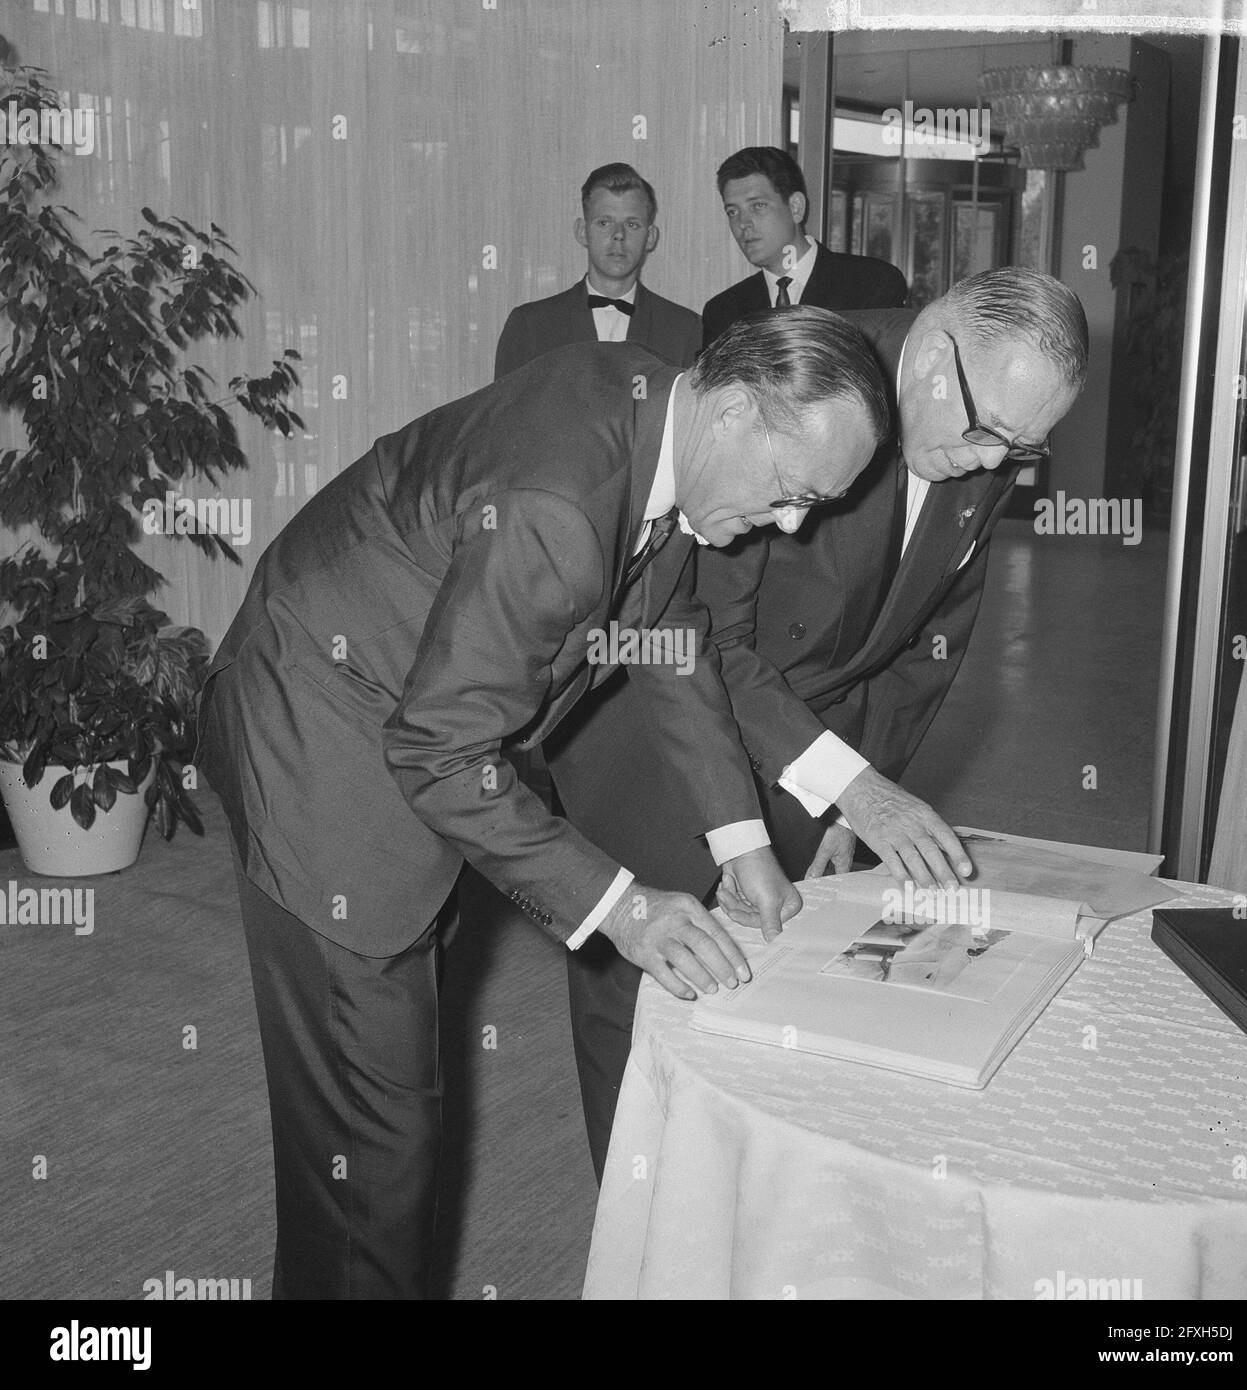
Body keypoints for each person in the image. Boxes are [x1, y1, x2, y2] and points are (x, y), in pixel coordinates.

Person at [196, 305, 890, 1298]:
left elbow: (667, 633)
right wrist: (624, 907)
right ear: (735, 408)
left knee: (391, 1092)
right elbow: (440, 755)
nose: (788, 525)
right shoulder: (558, 504)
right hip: (321, 738)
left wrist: (741, 844)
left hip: (406, 701)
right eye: (789, 493)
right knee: (372, 1143)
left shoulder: (657, 406)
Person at [546, 267, 1088, 1179]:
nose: (994, 464)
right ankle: (640, 1228)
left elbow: (929, 646)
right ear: (932, 357)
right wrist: (854, 787)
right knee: (641, 1018)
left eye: (1022, 450)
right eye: (989, 433)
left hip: (817, 757)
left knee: (772, 1001)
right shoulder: (807, 384)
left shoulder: (983, 425)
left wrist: (848, 801)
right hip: (666, 741)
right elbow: (704, 638)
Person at [494, 162, 701, 377]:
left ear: (650, 237)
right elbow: (503, 410)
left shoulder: (684, 329)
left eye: (632, 224)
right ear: (582, 232)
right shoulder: (530, 326)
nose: (618, 235)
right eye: (604, 223)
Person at [701, 145, 907, 349]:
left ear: (796, 207)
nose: (743, 223)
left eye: (758, 206)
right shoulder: (723, 313)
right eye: (733, 212)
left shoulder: (872, 284)